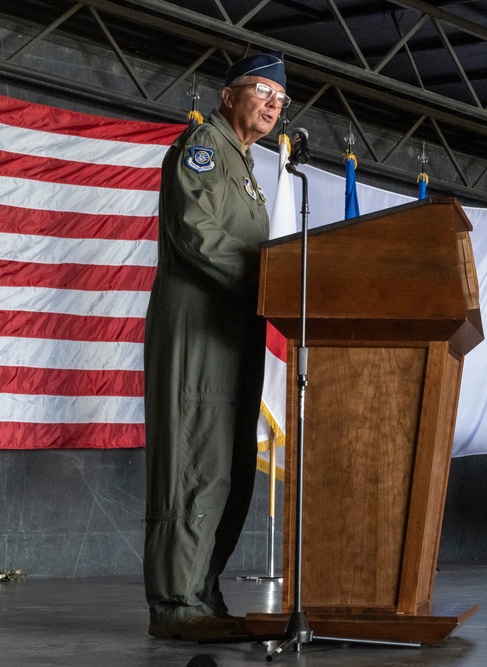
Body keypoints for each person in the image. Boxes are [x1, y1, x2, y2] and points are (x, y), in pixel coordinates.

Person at [143, 51, 288, 639]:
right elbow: (197, 233)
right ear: (229, 95)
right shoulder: (202, 146)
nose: (274, 103)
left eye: (282, 98)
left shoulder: (250, 169)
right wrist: (269, 282)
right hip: (198, 329)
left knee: (228, 469)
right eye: (263, 90)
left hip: (236, 331)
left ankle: (203, 593)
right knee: (193, 461)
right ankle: (177, 603)